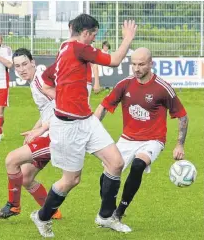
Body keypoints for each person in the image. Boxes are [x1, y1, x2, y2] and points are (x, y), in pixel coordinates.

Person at [29, 13, 137, 238]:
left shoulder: (66, 46)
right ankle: (42, 217)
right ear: (85, 33)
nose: (94, 40)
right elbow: (115, 60)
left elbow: (49, 78)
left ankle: (105, 217)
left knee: (116, 163)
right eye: (94, 35)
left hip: (86, 120)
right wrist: (127, 38)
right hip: (67, 127)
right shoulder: (78, 47)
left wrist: (59, 93)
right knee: (71, 180)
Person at [94, 47, 188, 227]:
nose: (136, 68)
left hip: (153, 140)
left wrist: (179, 145)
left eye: (141, 64)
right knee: (105, 178)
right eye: (134, 64)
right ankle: (108, 210)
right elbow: (104, 106)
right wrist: (92, 131)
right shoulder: (124, 84)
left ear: (151, 64)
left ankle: (119, 213)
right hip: (127, 139)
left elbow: (182, 115)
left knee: (138, 165)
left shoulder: (162, 88)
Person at [0, 48, 61, 220]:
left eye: (25, 64)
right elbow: (48, 109)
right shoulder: (34, 81)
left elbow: (62, 105)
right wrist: (35, 129)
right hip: (49, 132)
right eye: (17, 66)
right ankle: (52, 211)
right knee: (26, 177)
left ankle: (13, 206)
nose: (22, 69)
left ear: (33, 62)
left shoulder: (40, 78)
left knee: (11, 159)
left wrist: (42, 129)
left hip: (58, 135)